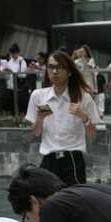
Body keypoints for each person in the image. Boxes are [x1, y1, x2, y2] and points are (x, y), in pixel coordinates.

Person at [26, 50, 101, 185]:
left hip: (73, 159)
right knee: (47, 202)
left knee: (74, 203)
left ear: (69, 72)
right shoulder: (38, 96)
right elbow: (33, 135)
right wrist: (39, 119)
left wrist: (85, 118)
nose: (54, 72)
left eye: (59, 67)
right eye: (51, 67)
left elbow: (92, 135)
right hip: (48, 159)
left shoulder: (83, 97)